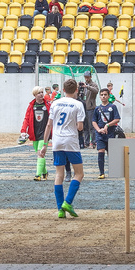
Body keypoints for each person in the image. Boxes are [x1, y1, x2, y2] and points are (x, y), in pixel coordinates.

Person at [45, 77, 88, 219]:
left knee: (59, 175)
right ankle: (68, 202)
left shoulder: (55, 103)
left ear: (63, 90)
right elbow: (80, 127)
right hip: (71, 141)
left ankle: (60, 209)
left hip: (57, 141)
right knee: (79, 173)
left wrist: (45, 145)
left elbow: (49, 125)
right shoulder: (78, 104)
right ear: (76, 90)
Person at [20, 86, 52, 180]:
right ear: (35, 95)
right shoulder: (31, 106)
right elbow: (26, 119)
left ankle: (37, 175)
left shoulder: (48, 105)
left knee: (40, 153)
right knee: (40, 154)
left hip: (45, 133)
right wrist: (23, 131)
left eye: (42, 92)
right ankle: (45, 172)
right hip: (34, 133)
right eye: (39, 93)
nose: (41, 94)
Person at [91, 86, 123, 178]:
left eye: (105, 95)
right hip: (100, 134)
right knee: (101, 152)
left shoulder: (113, 107)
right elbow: (94, 121)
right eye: (101, 95)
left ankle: (114, 171)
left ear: (109, 96)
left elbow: (117, 119)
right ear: (99, 97)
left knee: (111, 154)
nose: (103, 96)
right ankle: (101, 173)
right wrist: (98, 130)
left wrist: (107, 125)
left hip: (110, 133)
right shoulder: (97, 108)